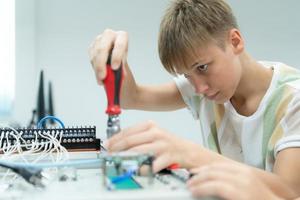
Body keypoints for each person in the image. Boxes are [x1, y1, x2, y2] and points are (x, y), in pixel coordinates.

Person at [88, 0, 300, 198]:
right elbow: (131, 97)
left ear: (235, 41)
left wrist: (191, 155)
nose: (199, 88)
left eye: (202, 67)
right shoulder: (204, 88)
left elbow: (288, 191)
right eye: (187, 75)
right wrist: (115, 58)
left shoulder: (293, 99)